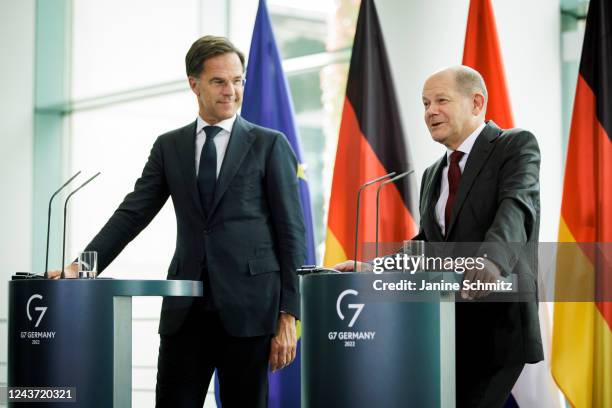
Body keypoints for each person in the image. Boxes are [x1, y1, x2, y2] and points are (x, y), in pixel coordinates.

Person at [49, 35, 306, 407]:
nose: (231, 91)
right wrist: (80, 268)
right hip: (185, 312)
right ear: (194, 83)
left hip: (250, 312)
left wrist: (289, 315)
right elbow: (133, 213)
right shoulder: (169, 146)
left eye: (238, 80)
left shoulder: (269, 144)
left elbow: (291, 232)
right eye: (219, 81)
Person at [335, 65, 543, 408]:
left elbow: (516, 207)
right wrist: (372, 268)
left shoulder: (514, 145)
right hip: (444, 328)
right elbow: (428, 246)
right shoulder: (434, 174)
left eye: (441, 100)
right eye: (425, 103)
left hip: (498, 326)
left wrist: (491, 259)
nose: (430, 111)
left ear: (476, 103)